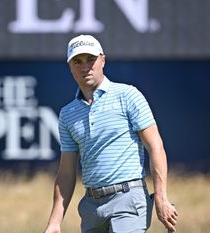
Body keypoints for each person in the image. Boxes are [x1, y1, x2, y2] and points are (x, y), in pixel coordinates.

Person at [44, 35, 178, 233]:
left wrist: (161, 196)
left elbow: (155, 146)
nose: (85, 66)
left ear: (103, 60)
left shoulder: (128, 95)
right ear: (70, 67)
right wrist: (54, 222)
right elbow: (66, 172)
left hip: (128, 199)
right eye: (77, 61)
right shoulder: (68, 114)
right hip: (91, 207)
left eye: (91, 59)